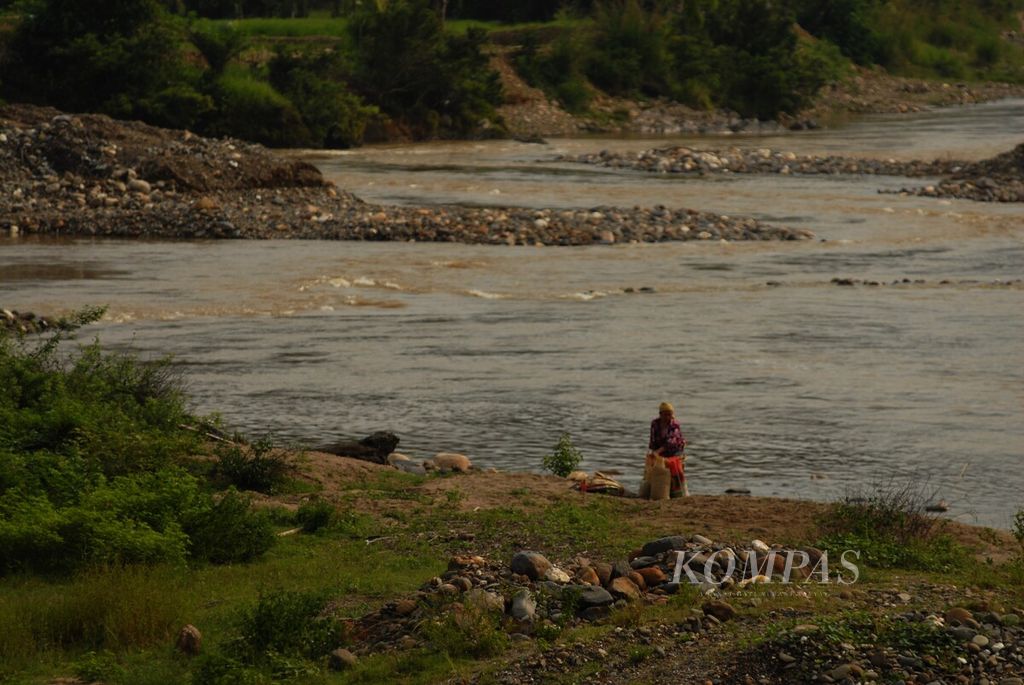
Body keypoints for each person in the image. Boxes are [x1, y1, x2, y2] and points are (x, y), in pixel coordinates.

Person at [648, 401, 688, 497]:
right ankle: (660, 490)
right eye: (665, 415)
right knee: (655, 467)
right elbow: (653, 439)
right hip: (660, 449)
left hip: (674, 449)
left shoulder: (674, 425)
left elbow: (671, 442)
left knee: (674, 467)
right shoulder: (655, 423)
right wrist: (653, 452)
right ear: (660, 414)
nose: (667, 417)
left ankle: (677, 491)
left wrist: (658, 452)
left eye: (669, 415)